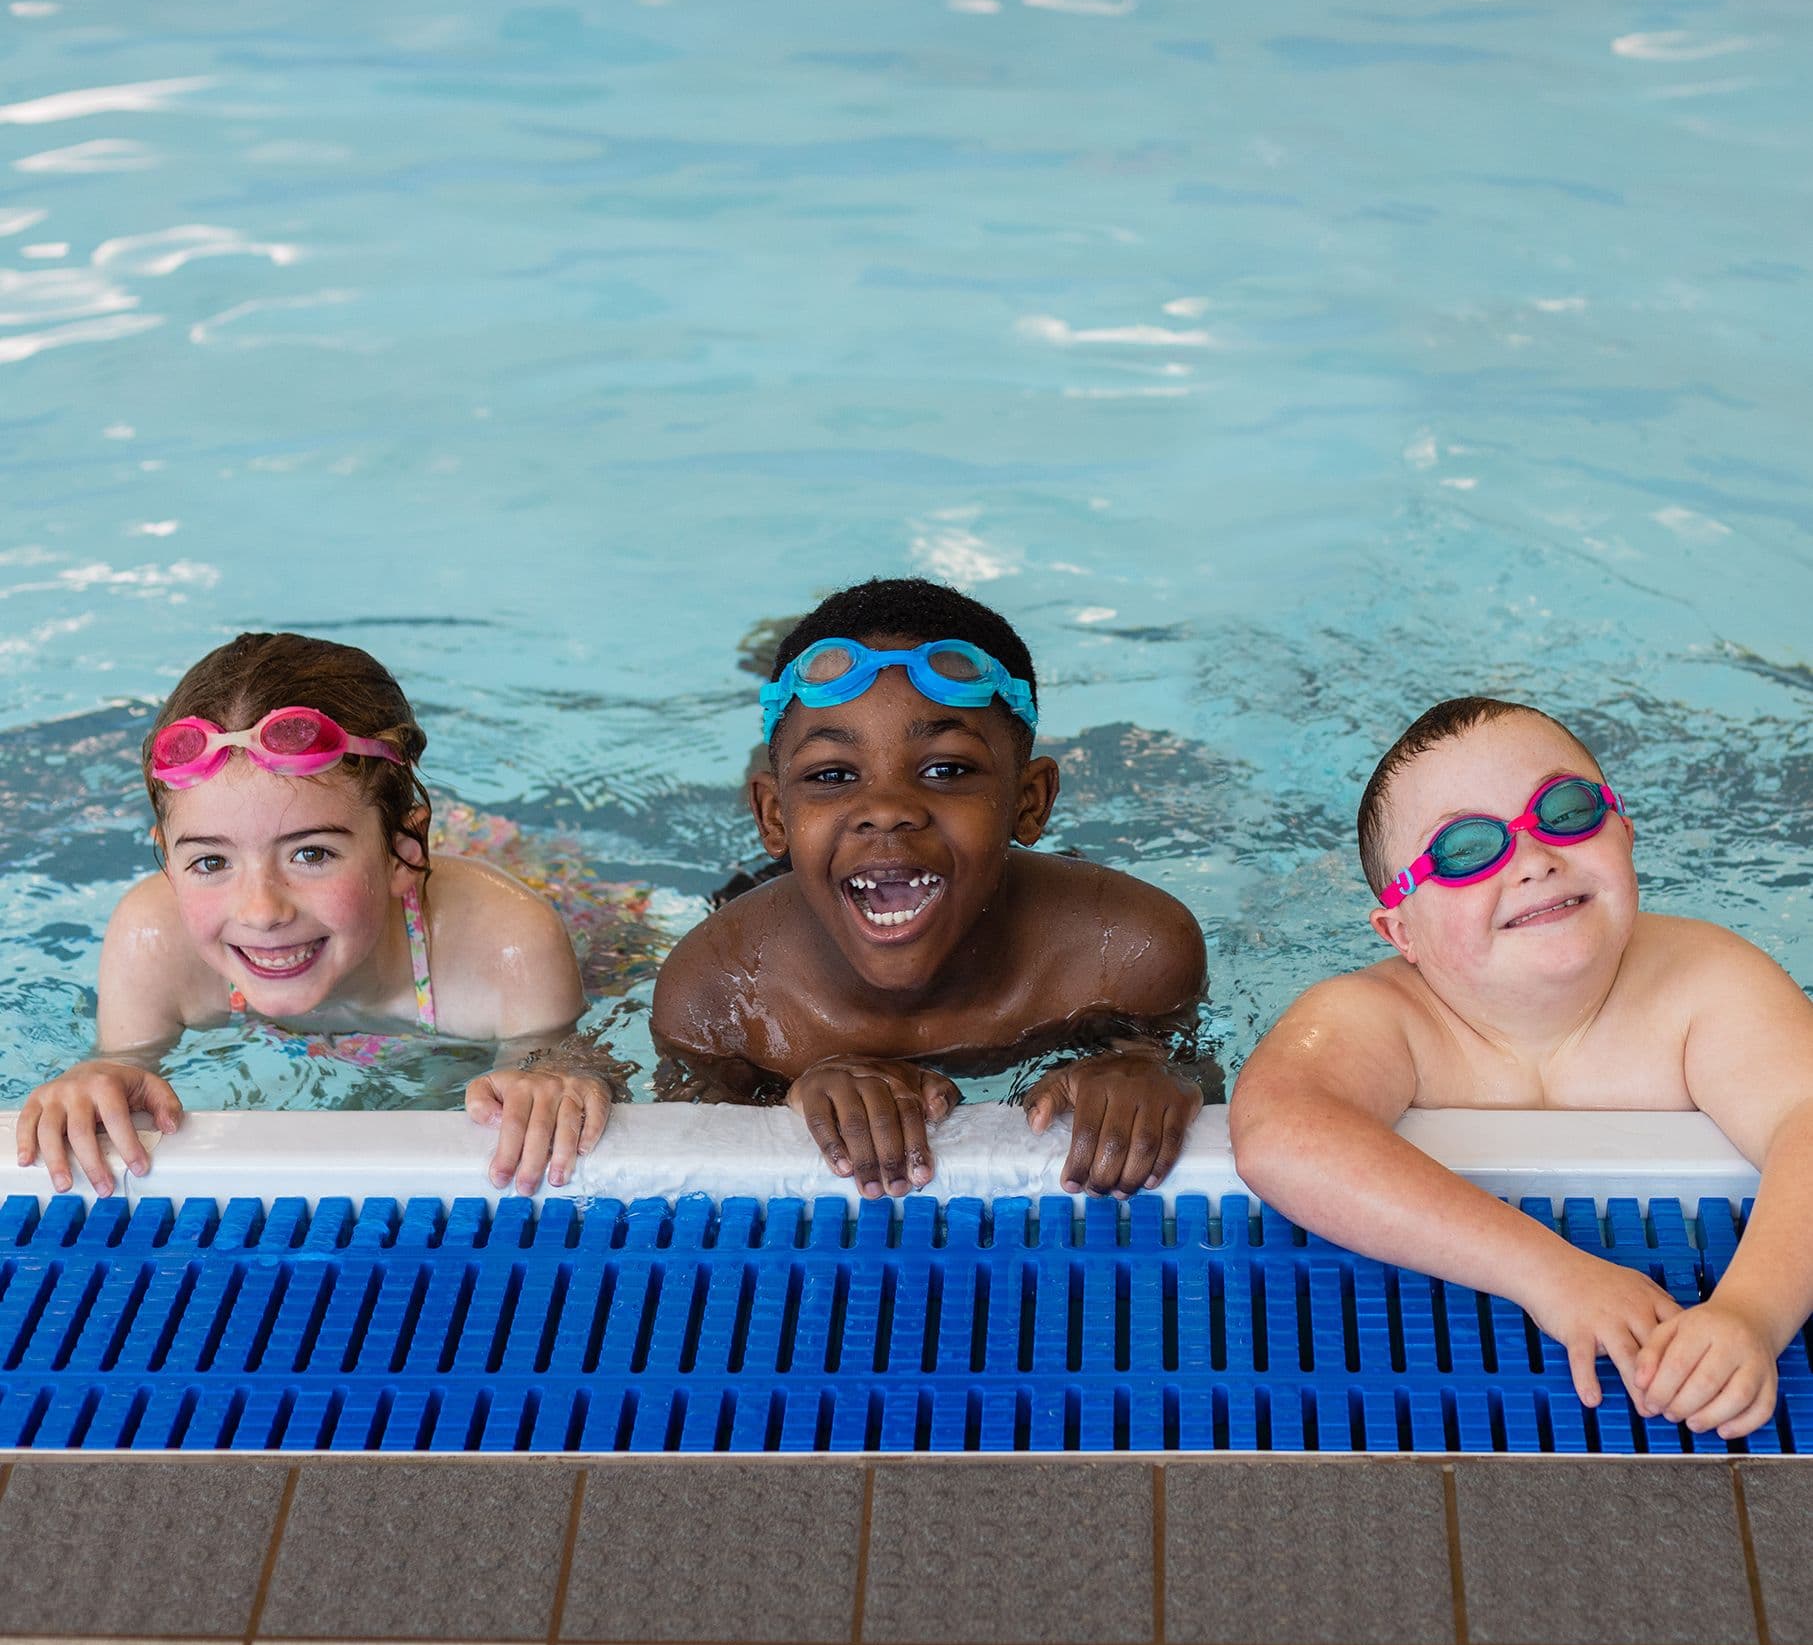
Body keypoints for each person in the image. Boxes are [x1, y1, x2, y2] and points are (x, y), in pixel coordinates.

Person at [1231, 695, 1813, 1441]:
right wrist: (1550, 1272)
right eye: (1466, 850)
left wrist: (1750, 1312)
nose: (1534, 858)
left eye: (1565, 809)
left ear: (1626, 832)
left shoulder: (1704, 981)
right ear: (1399, 928)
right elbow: (1278, 1137)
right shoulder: (1380, 1018)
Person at [651, 577, 1208, 1199]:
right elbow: (689, 1148)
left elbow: (1188, 1070)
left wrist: (1151, 1073)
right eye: (832, 775)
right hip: (803, 892)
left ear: (1030, 802)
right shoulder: (721, 989)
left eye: (946, 769)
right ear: (773, 818)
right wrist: (791, 1095)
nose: (886, 809)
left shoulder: (1127, 950)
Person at [19, 632, 618, 1198]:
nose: (262, 911)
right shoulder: (153, 938)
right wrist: (95, 1078)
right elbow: (121, 1065)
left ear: (403, 854)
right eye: (209, 862)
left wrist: (549, 1075)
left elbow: (547, 1069)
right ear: (169, 865)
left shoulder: (506, 941)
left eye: (312, 853)